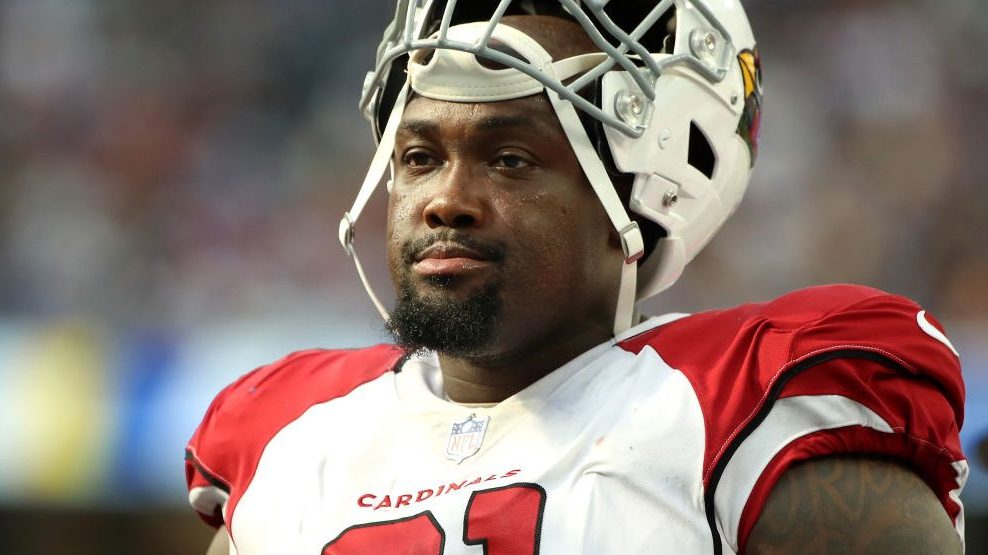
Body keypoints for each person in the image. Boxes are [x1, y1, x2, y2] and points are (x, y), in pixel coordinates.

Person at [185, 1, 967, 553]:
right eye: (420, 158)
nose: (445, 202)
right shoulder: (289, 440)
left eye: (511, 160)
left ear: (640, 195)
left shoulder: (740, 415)